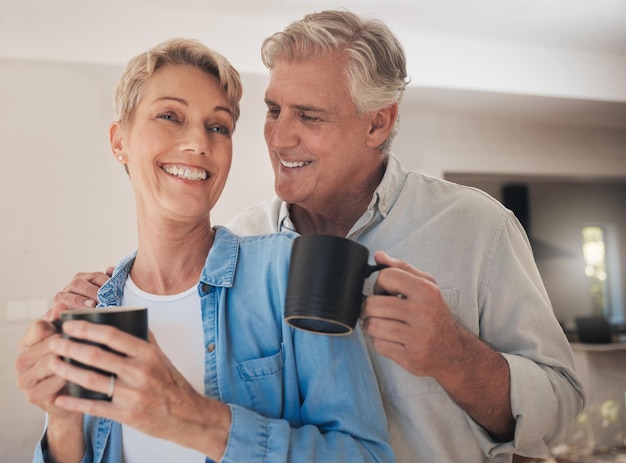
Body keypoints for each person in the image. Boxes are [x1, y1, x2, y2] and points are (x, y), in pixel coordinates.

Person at [52, 10, 586, 463]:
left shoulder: (476, 227)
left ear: (377, 124)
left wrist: (453, 355)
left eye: (309, 115)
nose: (280, 137)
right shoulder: (241, 245)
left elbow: (561, 406)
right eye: (273, 110)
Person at [14, 37, 394, 463]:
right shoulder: (94, 306)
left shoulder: (289, 270)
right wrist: (61, 419)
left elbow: (367, 456)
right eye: (170, 116)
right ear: (119, 140)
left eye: (218, 127)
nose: (198, 143)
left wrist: (188, 417)